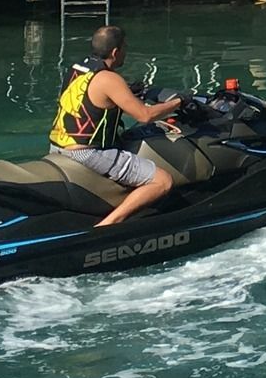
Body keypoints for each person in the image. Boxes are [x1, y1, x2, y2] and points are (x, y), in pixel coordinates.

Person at [48, 25, 183, 227]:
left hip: (57, 147)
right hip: (86, 153)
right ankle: (109, 225)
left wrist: (129, 90)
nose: (125, 53)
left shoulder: (78, 69)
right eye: (125, 48)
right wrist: (178, 102)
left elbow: (91, 98)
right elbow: (145, 115)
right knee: (163, 181)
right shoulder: (110, 79)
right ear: (115, 52)